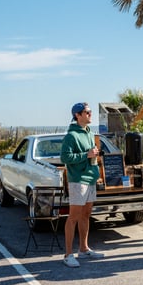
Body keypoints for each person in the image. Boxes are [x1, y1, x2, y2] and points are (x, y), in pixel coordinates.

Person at [60, 102, 105, 268]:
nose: (90, 114)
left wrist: (93, 156)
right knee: (73, 217)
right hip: (78, 180)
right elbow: (65, 157)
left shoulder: (89, 133)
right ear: (77, 115)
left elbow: (90, 155)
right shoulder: (71, 136)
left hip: (90, 179)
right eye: (87, 112)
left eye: (90, 111)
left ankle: (84, 249)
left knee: (86, 215)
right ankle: (68, 255)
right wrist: (86, 155)